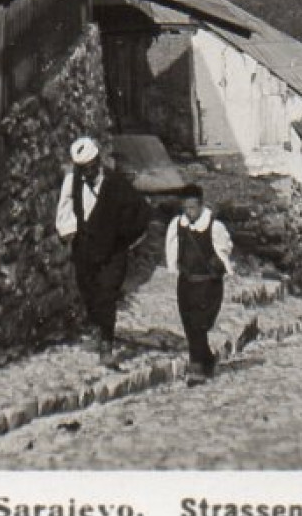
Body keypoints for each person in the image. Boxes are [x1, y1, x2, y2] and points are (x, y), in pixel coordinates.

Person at [55, 136, 151, 368]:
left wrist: (124, 238)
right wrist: (70, 232)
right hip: (85, 249)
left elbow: (140, 213)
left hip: (113, 252)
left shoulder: (116, 184)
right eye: (82, 169)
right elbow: (65, 207)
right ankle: (98, 328)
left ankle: (106, 344)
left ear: (97, 162)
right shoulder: (73, 181)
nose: (86, 173)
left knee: (107, 294)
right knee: (88, 290)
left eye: (89, 168)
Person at [165, 183, 234, 385]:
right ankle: (207, 359)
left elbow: (226, 248)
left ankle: (196, 367)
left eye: (193, 208)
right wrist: (175, 267)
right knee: (189, 324)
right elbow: (172, 249)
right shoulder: (178, 225)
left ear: (201, 205)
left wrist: (217, 262)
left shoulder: (214, 226)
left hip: (207, 284)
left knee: (199, 323)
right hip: (186, 282)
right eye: (186, 208)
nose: (190, 212)